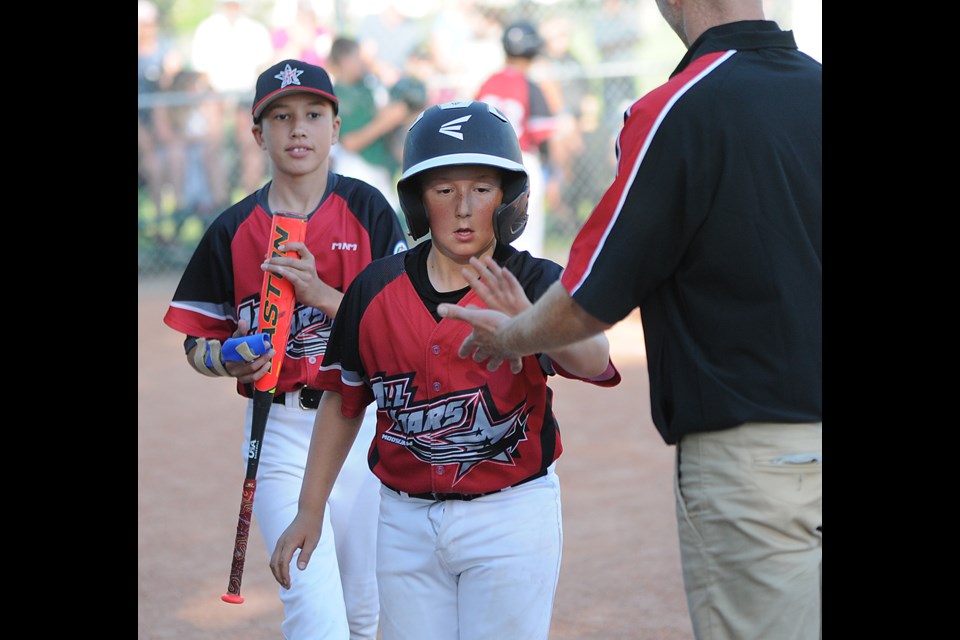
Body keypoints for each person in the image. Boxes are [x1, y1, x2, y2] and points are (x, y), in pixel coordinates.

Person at [439, 3, 822, 639]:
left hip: (753, 459)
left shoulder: (680, 106)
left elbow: (591, 297)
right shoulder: (814, 85)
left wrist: (513, 334)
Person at [269, 100, 622, 640]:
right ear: (418, 202)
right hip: (404, 519)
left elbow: (596, 359)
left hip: (508, 515)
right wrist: (309, 510)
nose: (463, 208)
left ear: (507, 199)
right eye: (443, 190)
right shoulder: (374, 290)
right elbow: (344, 402)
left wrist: (531, 324)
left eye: (481, 189)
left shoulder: (530, 280)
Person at [163, 59, 409, 640]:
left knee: (364, 611)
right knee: (312, 610)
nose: (298, 129)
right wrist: (227, 358)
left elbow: (401, 324)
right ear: (258, 134)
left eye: (313, 115)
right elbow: (197, 344)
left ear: (335, 127)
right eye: (281, 117)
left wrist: (320, 294)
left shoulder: (369, 210)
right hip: (277, 432)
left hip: (361, 425)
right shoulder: (232, 228)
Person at [476, 20, 559, 258]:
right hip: (522, 162)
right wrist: (553, 174)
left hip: (486, 165)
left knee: (491, 235)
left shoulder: (488, 82)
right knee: (526, 238)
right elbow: (544, 138)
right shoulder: (530, 86)